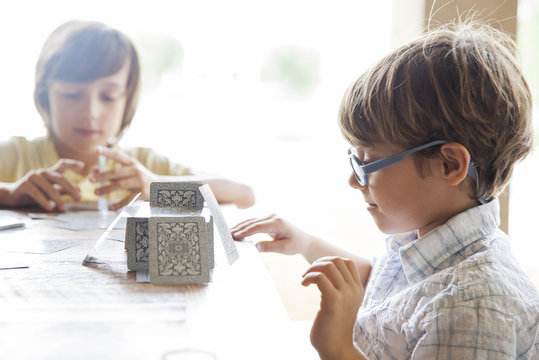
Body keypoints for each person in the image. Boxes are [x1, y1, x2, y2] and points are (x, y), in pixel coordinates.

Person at [231, 21, 539, 359]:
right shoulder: (435, 241)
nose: (354, 180)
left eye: (369, 163)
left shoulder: (473, 307)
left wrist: (337, 349)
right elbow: (387, 287)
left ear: (449, 164)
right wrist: (305, 242)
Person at [0, 20, 255, 212]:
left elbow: (242, 194)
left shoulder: (142, 166)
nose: (90, 112)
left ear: (127, 100)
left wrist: (157, 187)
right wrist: (9, 193)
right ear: (46, 95)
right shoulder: (15, 157)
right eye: (72, 94)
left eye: (108, 97)